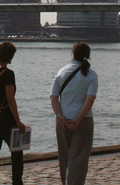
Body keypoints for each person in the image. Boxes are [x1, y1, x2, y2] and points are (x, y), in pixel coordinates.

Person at [49, 42, 98, 185]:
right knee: (79, 159)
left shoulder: (61, 72)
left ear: (73, 54)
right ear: (87, 56)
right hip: (83, 121)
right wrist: (78, 120)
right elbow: (89, 101)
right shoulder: (91, 75)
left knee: (64, 157)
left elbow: (53, 97)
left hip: (62, 120)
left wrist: (59, 116)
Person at [0, 41, 26, 185]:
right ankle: (16, 182)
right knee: (17, 151)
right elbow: (10, 99)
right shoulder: (8, 74)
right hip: (6, 119)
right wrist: (18, 122)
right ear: (11, 57)